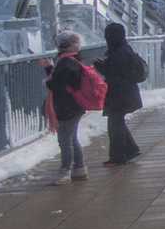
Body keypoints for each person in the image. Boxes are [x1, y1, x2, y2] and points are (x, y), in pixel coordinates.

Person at [96, 22, 146, 166]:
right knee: (117, 122)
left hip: (119, 95)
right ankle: (131, 149)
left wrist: (100, 66)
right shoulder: (125, 49)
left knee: (114, 125)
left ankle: (118, 156)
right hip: (126, 94)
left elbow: (115, 74)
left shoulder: (118, 53)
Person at [43, 32, 89, 184]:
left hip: (67, 108)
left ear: (61, 46)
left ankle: (65, 171)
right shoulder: (73, 59)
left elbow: (58, 84)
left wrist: (47, 82)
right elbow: (64, 80)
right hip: (74, 106)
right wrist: (49, 68)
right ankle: (79, 168)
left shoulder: (65, 62)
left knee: (64, 141)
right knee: (72, 139)